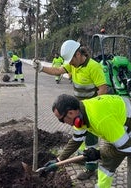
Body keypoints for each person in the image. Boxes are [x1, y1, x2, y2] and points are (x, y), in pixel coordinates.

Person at [48, 94, 131, 187]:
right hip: (118, 128)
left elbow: (129, 148)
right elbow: (76, 140)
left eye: (61, 120)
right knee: (107, 162)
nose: (63, 123)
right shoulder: (80, 114)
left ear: (71, 113)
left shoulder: (100, 120)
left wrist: (98, 153)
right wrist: (58, 160)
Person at [33, 40, 108, 180]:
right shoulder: (73, 64)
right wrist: (41, 68)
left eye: (71, 60)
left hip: (90, 112)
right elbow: (57, 70)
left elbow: (103, 89)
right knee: (79, 136)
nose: (70, 64)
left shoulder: (94, 67)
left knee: (91, 139)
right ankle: (83, 157)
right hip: (77, 110)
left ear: (78, 54)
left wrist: (91, 109)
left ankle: (91, 168)